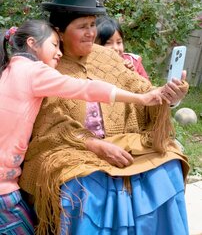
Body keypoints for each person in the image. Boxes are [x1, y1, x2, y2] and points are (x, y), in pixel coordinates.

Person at [19, 0, 190, 235]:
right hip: (71, 147)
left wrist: (169, 95)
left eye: (93, 25)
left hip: (122, 140)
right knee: (84, 185)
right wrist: (95, 145)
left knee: (168, 165)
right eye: (82, 26)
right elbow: (51, 121)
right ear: (60, 32)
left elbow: (141, 89)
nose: (91, 33)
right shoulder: (46, 64)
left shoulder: (107, 57)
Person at [0, 19, 166, 234]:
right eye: (54, 45)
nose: (59, 53)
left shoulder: (9, 69)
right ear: (32, 43)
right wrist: (141, 99)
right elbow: (85, 88)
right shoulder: (34, 72)